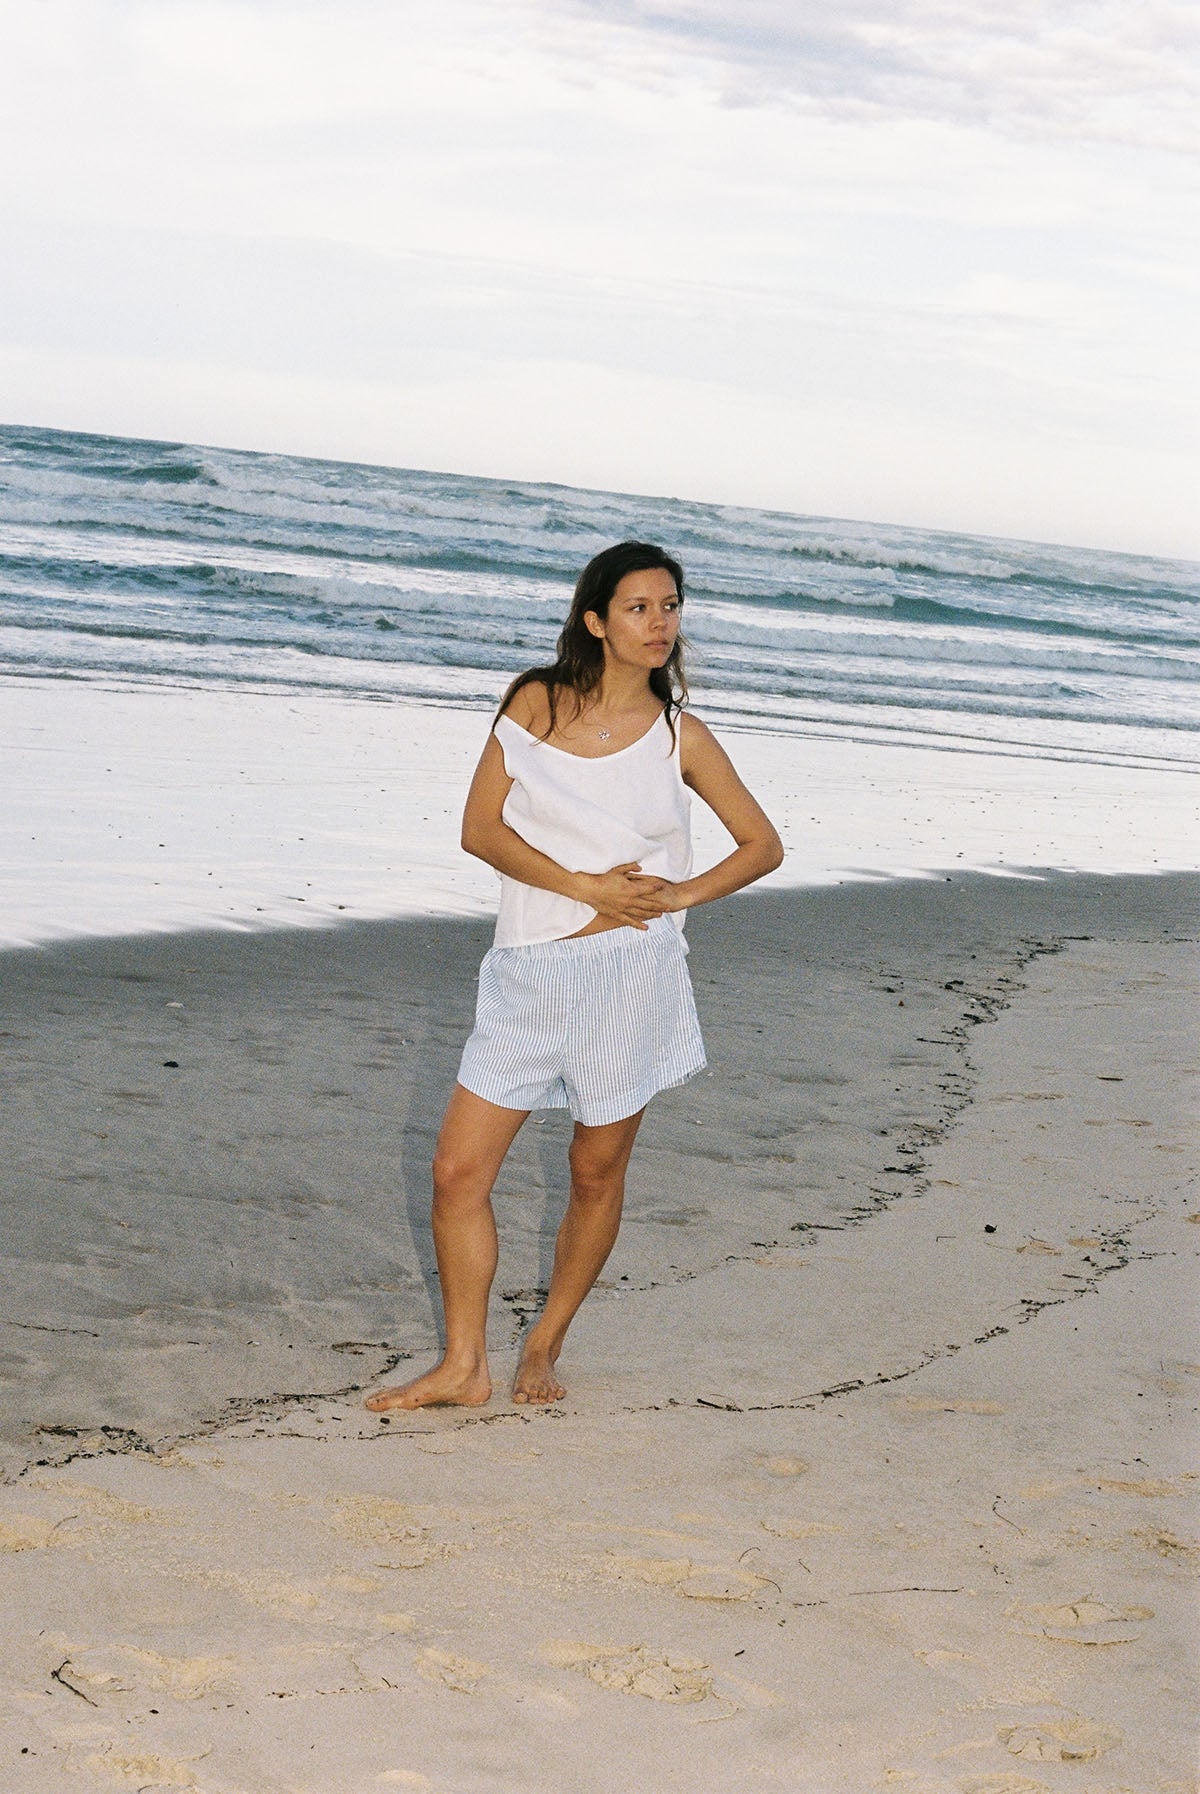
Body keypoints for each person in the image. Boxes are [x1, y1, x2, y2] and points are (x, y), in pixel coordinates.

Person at [365, 541, 782, 1412]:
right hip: (529, 971)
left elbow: (762, 845)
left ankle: (544, 1345)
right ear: (594, 620)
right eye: (639, 607)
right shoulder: (533, 704)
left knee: (596, 1170)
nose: (660, 623)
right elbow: (482, 831)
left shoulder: (681, 738)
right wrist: (586, 886)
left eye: (670, 606)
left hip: (631, 975)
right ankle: (464, 1364)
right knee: (455, 1172)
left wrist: (678, 897)